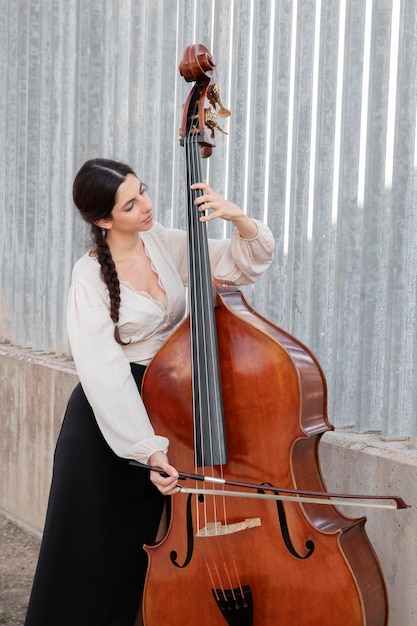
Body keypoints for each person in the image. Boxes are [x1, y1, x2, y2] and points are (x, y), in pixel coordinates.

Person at [24, 157, 275, 626]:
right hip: (109, 422)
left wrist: (237, 217)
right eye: (130, 203)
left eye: (143, 191)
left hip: (168, 403)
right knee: (92, 558)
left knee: (145, 555)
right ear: (103, 220)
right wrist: (147, 450)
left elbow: (240, 264)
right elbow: (105, 373)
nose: (147, 206)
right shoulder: (89, 276)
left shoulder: (161, 242)